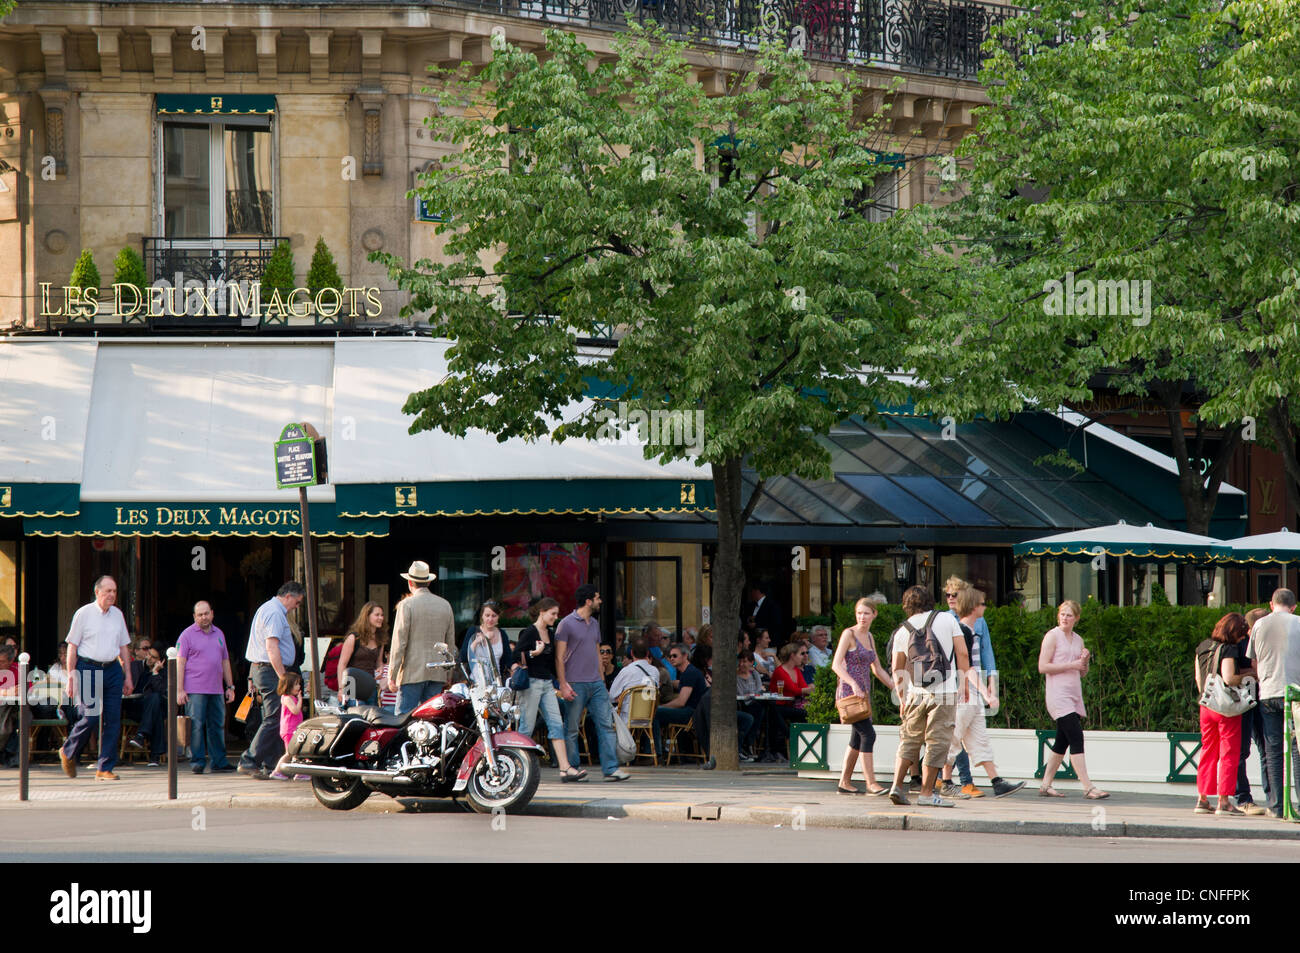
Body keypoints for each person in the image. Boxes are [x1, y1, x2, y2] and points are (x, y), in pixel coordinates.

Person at [888, 585, 969, 807]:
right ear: (930, 601)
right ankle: (926, 793)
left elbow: (897, 668)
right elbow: (962, 652)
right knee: (937, 741)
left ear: (906, 605)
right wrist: (965, 684)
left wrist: (903, 698)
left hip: (915, 693)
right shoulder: (946, 619)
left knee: (909, 739)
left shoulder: (902, 631)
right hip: (944, 691)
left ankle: (896, 785)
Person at [941, 588, 1023, 798]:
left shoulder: (968, 630)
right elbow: (966, 668)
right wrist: (987, 694)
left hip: (971, 693)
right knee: (953, 737)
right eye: (982, 603)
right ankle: (945, 781)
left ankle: (997, 781)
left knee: (978, 738)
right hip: (964, 694)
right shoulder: (962, 631)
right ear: (973, 606)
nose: (985, 607)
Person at [61, 576, 134, 781]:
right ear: (97, 592)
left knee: (113, 720)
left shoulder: (118, 615)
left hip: (112, 669)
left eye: (114, 591)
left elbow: (124, 647)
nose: (112, 595)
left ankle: (104, 767)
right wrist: (71, 676)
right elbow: (72, 646)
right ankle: (68, 750)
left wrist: (128, 676)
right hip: (87, 667)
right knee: (90, 716)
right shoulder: (83, 613)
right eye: (108, 591)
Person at [556, 584, 628, 781]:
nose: (600, 601)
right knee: (571, 728)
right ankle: (572, 768)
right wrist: (563, 684)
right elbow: (559, 657)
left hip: (596, 683)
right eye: (597, 598)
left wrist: (602, 680)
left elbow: (597, 652)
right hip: (575, 683)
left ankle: (611, 769)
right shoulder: (566, 624)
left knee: (606, 725)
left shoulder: (595, 623)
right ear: (588, 601)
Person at [1037, 600, 1108, 799]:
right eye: (1062, 614)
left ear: (1076, 618)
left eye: (1069, 615)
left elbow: (1082, 672)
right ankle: (1088, 787)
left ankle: (1045, 785)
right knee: (1076, 736)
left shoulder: (1078, 640)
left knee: (1062, 741)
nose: (1065, 618)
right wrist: (1072, 664)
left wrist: (1084, 661)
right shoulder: (1052, 637)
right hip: (1058, 695)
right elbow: (1042, 667)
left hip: (1074, 694)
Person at [515, 598, 587, 782]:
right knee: (527, 727)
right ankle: (517, 766)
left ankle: (565, 768)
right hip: (531, 683)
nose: (556, 617)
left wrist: (563, 683)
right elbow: (516, 656)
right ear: (542, 612)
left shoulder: (551, 633)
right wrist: (534, 653)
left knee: (556, 723)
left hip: (547, 684)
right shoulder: (530, 632)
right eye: (552, 614)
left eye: (556, 614)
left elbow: (554, 663)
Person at [238, 580, 304, 779]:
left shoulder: (270, 609)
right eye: (298, 602)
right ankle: (249, 760)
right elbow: (271, 647)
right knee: (274, 717)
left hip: (266, 670)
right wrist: (283, 676)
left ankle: (273, 764)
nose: (296, 606)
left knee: (277, 717)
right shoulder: (275, 612)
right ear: (288, 597)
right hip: (270, 671)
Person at [1245, 588, 1300, 819]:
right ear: (1294, 606)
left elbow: (1254, 660)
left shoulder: (1259, 625)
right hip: (1296, 692)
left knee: (1273, 750)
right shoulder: (1298, 623)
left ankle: (1276, 806)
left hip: (1268, 692)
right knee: (1297, 749)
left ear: (1271, 604)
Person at [832, 598, 894, 795]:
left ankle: (844, 782)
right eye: (859, 613)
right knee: (868, 734)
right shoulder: (848, 634)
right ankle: (871, 783)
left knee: (857, 739)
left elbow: (877, 669)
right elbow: (835, 664)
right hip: (850, 693)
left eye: (866, 613)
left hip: (863, 694)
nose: (862, 617)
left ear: (874, 614)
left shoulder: (870, 637)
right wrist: (852, 683)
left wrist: (895, 687)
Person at [942, 576, 996, 797]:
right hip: (958, 685)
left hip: (974, 683)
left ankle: (948, 781)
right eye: (948, 595)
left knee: (964, 736)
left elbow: (986, 654)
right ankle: (952, 781)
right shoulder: (945, 620)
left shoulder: (979, 622)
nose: (951, 599)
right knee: (956, 737)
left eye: (955, 595)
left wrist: (991, 685)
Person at [1193, 612, 1251, 816]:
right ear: (1234, 632)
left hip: (1206, 706)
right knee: (1229, 753)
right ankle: (1224, 801)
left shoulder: (1202, 646)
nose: (1243, 638)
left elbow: (1199, 679)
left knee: (1208, 750)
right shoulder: (1229, 648)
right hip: (1226, 709)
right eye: (1242, 634)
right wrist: (1251, 674)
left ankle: (1202, 799)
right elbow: (1229, 678)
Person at [176, 600, 237, 775]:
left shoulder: (219, 633)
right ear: (194, 617)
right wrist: (179, 689)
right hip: (195, 689)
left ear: (212, 613)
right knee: (196, 725)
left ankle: (219, 761)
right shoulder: (186, 635)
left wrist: (230, 686)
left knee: (217, 725)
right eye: (200, 614)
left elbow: (225, 661)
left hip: (216, 689)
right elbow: (180, 663)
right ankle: (198, 762)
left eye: (206, 613)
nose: (203, 617)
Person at [389, 561, 456, 716]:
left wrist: (392, 675)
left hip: (412, 672)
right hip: (437, 672)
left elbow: (399, 643)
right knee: (432, 720)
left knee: (403, 719)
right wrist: (449, 674)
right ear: (429, 582)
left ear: (410, 582)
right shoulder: (445, 605)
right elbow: (450, 643)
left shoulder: (406, 605)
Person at [1234, 607, 1269, 815]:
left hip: (1260, 698)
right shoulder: (1240, 645)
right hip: (1243, 701)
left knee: (1266, 749)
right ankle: (1242, 798)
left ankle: (1271, 797)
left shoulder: (1261, 642)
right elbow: (1232, 671)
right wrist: (1254, 672)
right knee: (1242, 750)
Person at [653, 642, 709, 760]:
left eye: (675, 656)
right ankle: (668, 750)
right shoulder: (687, 673)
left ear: (685, 656)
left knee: (654, 713)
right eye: (670, 656)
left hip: (691, 713)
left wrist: (663, 706)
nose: (671, 658)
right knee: (657, 713)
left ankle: (656, 753)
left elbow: (681, 701)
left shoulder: (690, 673)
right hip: (692, 712)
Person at [767, 641, 813, 761]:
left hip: (790, 706)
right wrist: (808, 689)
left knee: (805, 714)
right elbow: (795, 690)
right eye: (801, 653)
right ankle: (792, 740)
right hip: (778, 705)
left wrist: (807, 689)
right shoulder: (780, 671)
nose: (803, 656)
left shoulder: (797, 671)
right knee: (781, 712)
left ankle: (799, 743)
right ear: (792, 655)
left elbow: (802, 687)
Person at [338, 601, 388, 706]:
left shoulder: (380, 640)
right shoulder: (353, 638)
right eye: (377, 615)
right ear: (367, 616)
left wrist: (380, 668)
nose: (381, 618)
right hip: (351, 683)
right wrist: (341, 688)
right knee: (357, 713)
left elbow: (379, 662)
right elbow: (342, 664)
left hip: (370, 684)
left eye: (382, 615)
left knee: (371, 716)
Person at [124, 646, 168, 765]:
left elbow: (161, 691)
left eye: (154, 657)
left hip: (151, 709)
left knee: (155, 702)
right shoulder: (138, 667)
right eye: (148, 654)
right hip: (136, 707)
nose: (149, 658)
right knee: (155, 709)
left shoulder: (164, 673)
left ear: (161, 661)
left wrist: (155, 673)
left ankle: (141, 735)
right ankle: (155, 755)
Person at [459, 599, 514, 685]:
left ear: (498, 617)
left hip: (497, 683)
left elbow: (508, 659)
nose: (490, 619)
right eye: (487, 615)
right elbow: (463, 657)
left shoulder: (502, 634)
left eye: (494, 616)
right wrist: (476, 642)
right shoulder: (473, 631)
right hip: (476, 682)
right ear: (482, 616)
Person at [609, 636, 658, 720]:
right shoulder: (655, 671)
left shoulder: (626, 671)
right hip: (647, 718)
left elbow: (611, 697)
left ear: (631, 653)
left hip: (626, 718)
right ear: (647, 653)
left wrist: (622, 697)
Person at [270, 672, 307, 781]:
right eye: (296, 684)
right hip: (289, 730)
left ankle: (299, 772)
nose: (299, 686)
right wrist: (300, 700)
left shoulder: (291, 697)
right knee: (290, 753)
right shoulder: (287, 698)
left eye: (299, 684)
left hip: (293, 730)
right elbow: (295, 711)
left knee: (296, 752)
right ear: (288, 685)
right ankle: (277, 771)